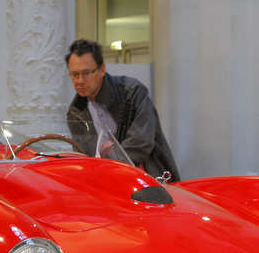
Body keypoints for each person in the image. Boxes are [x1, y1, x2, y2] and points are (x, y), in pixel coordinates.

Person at [65, 39, 180, 180]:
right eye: (75, 74)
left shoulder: (132, 92)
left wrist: (109, 156)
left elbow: (141, 143)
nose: (80, 81)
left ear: (102, 69)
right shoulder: (76, 111)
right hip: (107, 181)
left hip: (150, 178)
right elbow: (87, 156)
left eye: (86, 73)